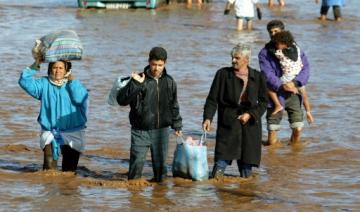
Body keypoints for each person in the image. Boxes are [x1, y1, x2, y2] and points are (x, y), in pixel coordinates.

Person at [117, 47, 182, 182]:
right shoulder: (139, 79)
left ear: (165, 63)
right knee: (136, 167)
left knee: (161, 173)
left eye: (160, 65)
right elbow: (121, 100)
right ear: (148, 62)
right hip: (140, 131)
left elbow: (173, 104)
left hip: (162, 131)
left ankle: (159, 199)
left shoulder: (170, 81)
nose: (156, 68)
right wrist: (135, 84)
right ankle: (134, 199)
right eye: (153, 64)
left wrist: (177, 124)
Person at [203, 43, 268, 178]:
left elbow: (263, 102)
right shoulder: (222, 74)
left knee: (246, 166)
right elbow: (212, 99)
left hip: (250, 125)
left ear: (246, 60)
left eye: (237, 58)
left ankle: (244, 195)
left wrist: (250, 114)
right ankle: (215, 189)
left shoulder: (258, 77)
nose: (233, 60)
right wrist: (208, 118)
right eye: (232, 57)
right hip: (229, 120)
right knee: (222, 160)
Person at [18, 59, 88, 172]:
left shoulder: (75, 84)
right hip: (50, 132)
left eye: (61, 68)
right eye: (54, 67)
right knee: (49, 171)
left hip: (73, 132)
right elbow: (24, 81)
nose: (57, 71)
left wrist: (73, 81)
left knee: (69, 172)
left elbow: (80, 99)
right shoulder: (43, 84)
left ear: (67, 70)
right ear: (50, 69)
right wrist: (37, 63)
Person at [258, 20, 310, 145]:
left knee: (297, 128)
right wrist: (282, 86)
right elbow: (267, 74)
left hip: (294, 93)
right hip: (274, 95)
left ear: (283, 31)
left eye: (276, 31)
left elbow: (306, 68)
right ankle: (273, 158)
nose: (272, 33)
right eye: (270, 32)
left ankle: (293, 154)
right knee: (272, 136)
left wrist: (296, 83)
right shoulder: (264, 53)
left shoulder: (296, 50)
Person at [269, 30, 314, 124]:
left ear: (284, 44)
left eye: (278, 44)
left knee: (268, 87)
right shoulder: (297, 49)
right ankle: (308, 112)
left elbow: (271, 51)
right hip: (298, 77)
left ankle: (278, 105)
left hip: (287, 77)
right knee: (305, 95)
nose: (276, 46)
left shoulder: (280, 53)